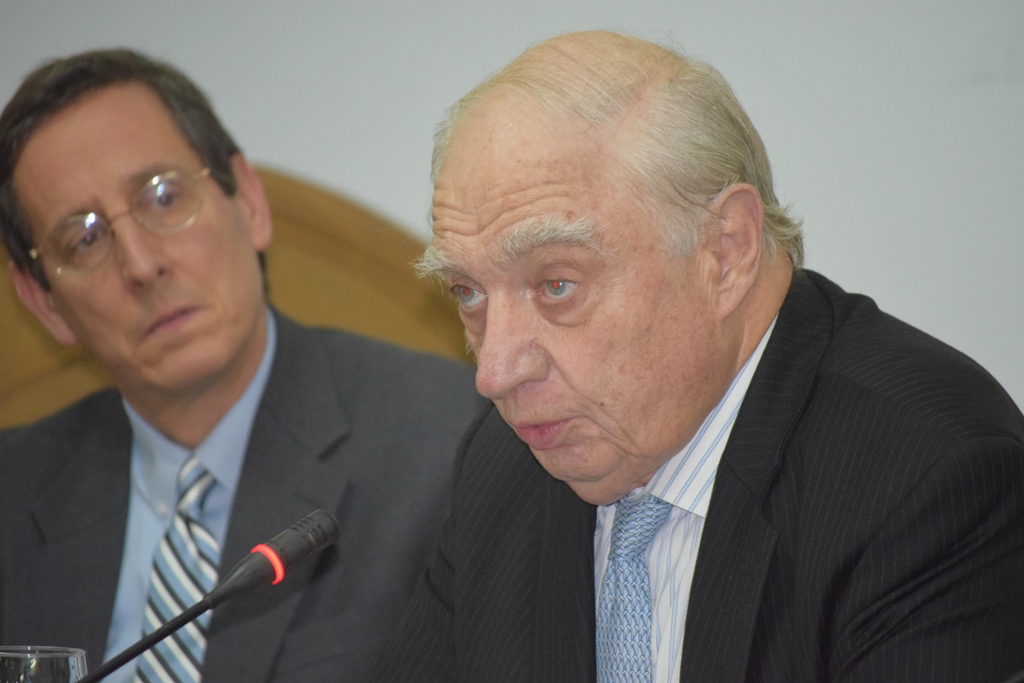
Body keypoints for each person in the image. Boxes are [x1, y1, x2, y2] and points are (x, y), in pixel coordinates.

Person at [372, 30, 1024, 683]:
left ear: (726, 252)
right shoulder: (505, 466)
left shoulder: (931, 479)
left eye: (557, 285)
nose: (495, 373)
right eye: (467, 292)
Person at [0, 49, 484, 683]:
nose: (141, 265)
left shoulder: (451, 442)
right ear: (44, 302)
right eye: (84, 238)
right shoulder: (13, 493)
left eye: (163, 197)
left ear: (249, 202)